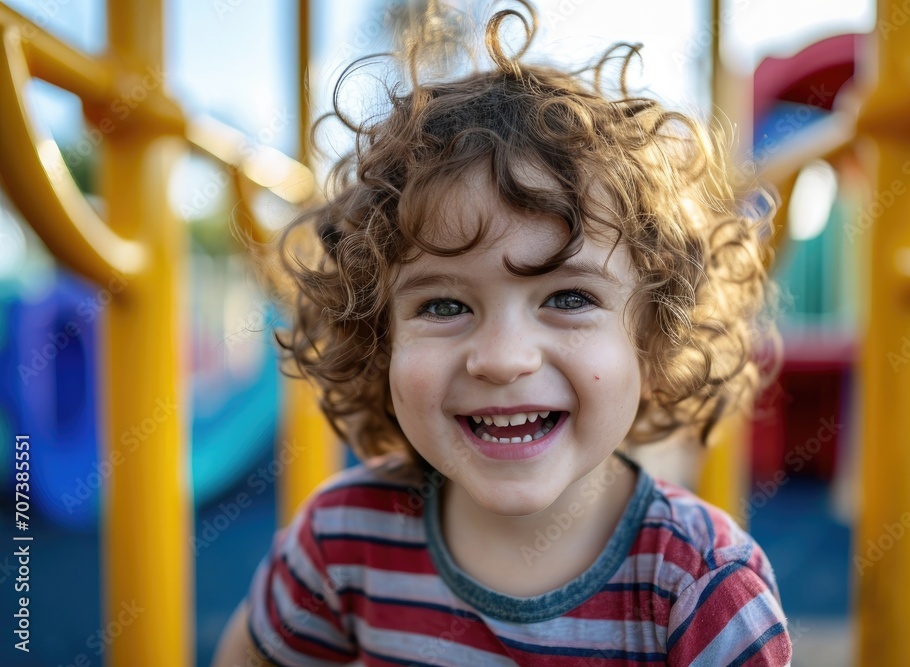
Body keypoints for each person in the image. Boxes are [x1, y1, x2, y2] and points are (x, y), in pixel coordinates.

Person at [213, 2, 791, 665]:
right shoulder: (342, 540)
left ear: (652, 338)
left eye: (568, 296)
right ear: (379, 339)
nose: (503, 358)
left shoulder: (700, 591)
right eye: (443, 306)